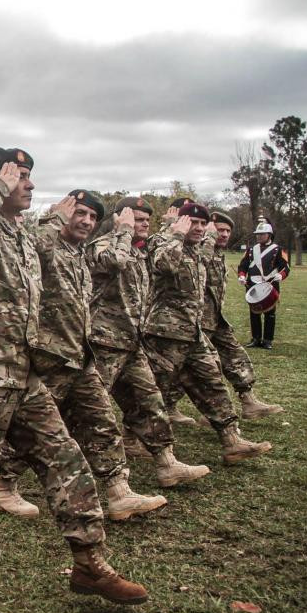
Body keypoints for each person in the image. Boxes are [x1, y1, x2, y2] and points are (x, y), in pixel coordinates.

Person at [0, 149, 146, 605]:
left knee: (66, 459)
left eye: (29, 178)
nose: (31, 187)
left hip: (24, 374)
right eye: (21, 177)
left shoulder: (18, 234)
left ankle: (89, 563)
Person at [0, 190, 166, 522]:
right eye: (79, 213)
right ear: (65, 213)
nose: (85, 221)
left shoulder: (78, 253)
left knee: (102, 422)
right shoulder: (46, 246)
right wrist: (52, 218)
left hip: (78, 356)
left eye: (92, 217)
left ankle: (119, 492)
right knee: (31, 429)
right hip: (49, 357)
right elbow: (31, 247)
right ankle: (3, 486)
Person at [81, 197, 209, 488]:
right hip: (103, 344)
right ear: (120, 219)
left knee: (150, 402)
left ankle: (167, 463)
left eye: (145, 221)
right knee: (85, 409)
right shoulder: (103, 244)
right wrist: (123, 231)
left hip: (131, 342)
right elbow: (112, 261)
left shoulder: (139, 253)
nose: (143, 225)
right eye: (137, 219)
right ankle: (7, 478)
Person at [142, 203, 272, 465]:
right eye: (194, 223)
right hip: (164, 334)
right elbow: (164, 264)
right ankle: (131, 438)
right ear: (180, 223)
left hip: (193, 332)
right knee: (153, 391)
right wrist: (174, 232)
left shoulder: (197, 251)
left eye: (203, 224)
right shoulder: (162, 242)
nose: (200, 228)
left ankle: (231, 440)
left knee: (212, 381)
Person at [163, 211, 283, 420]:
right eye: (220, 230)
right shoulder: (198, 252)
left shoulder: (218, 254)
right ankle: (171, 406)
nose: (225, 235)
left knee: (236, 356)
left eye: (228, 231)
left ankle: (248, 400)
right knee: (190, 368)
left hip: (215, 318)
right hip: (197, 321)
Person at [238, 220, 289, 349]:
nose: (259, 236)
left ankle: (267, 340)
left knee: (270, 313)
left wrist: (280, 276)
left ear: (269, 235)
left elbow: (286, 267)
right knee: (254, 312)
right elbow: (242, 265)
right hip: (252, 284)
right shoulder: (251, 250)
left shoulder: (278, 250)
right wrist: (242, 276)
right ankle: (256, 338)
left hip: (269, 284)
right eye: (257, 234)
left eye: (262, 234)